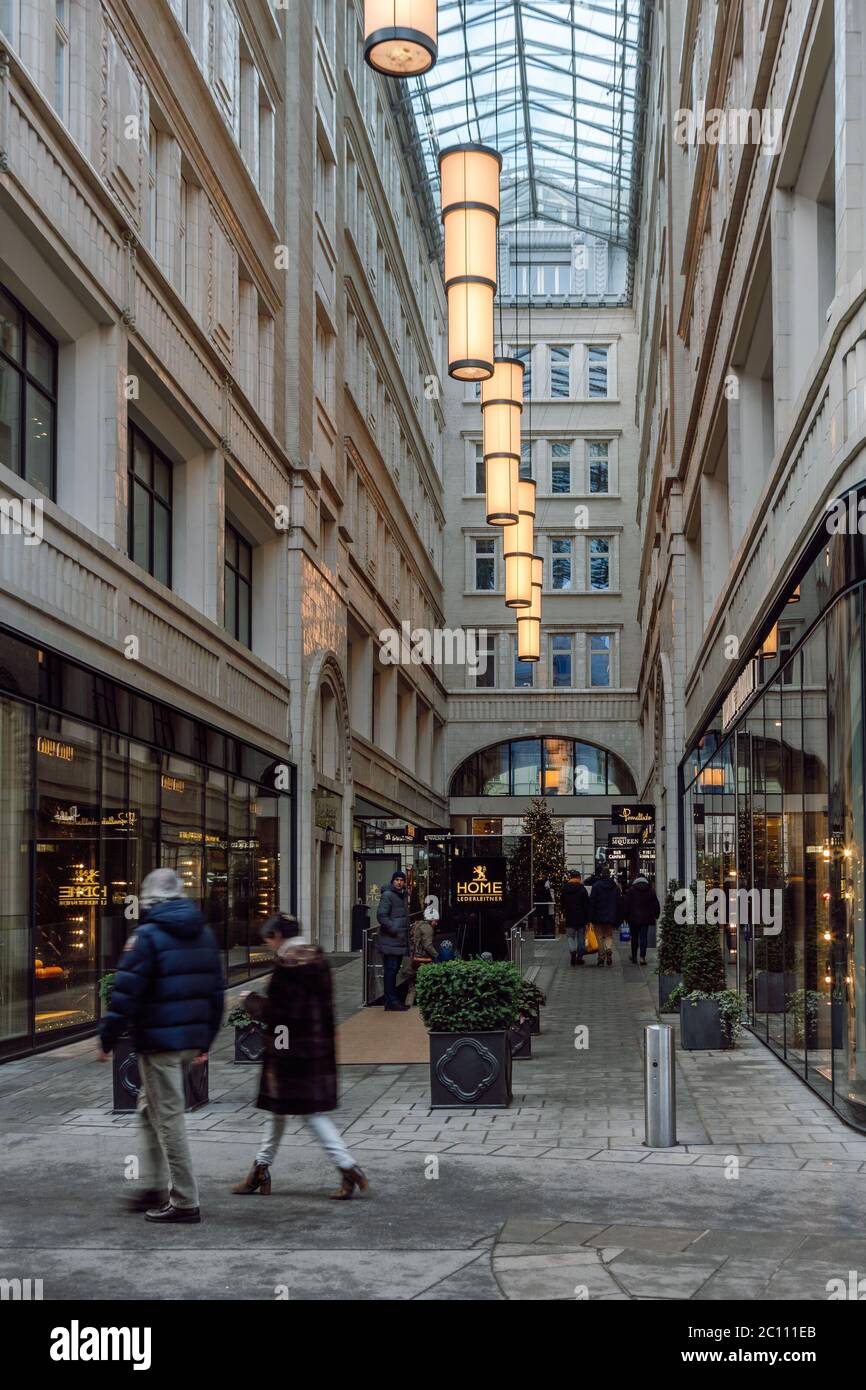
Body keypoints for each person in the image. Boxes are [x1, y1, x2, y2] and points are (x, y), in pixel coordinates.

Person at [98, 868, 224, 1224]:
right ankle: (153, 1185)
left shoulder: (147, 936)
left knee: (168, 1119)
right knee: (147, 1109)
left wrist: (108, 1039)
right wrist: (205, 1040)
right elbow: (216, 992)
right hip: (186, 1042)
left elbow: (126, 993)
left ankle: (184, 1200)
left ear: (150, 900)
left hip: (160, 1044)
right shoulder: (203, 933)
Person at [232, 914, 368, 1201]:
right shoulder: (317, 959)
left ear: (278, 936)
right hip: (315, 1048)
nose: (269, 945)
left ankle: (347, 1166)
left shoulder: (287, 965)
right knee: (277, 1112)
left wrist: (250, 1001)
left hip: (289, 1052)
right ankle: (260, 1170)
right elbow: (327, 1008)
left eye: (269, 939)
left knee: (308, 1114)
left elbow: (278, 1013)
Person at [376, 870, 410, 1011]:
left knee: (393, 971)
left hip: (398, 941)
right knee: (391, 971)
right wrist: (394, 929)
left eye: (401, 880)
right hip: (391, 940)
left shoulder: (402, 896)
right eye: (396, 879)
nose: (399, 882)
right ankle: (391, 1001)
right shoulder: (388, 895)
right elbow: (381, 915)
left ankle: (391, 1000)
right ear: (392, 881)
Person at [588, 866, 624, 968]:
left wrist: (590, 917)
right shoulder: (615, 886)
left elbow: (592, 902)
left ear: (601, 874)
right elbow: (619, 902)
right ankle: (608, 949)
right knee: (608, 935)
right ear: (609, 874)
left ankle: (601, 956)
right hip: (610, 915)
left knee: (599, 937)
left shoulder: (596, 886)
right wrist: (618, 917)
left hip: (598, 915)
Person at [624, 875, 661, 966]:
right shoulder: (650, 891)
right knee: (643, 937)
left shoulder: (631, 891)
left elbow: (626, 904)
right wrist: (656, 915)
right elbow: (656, 904)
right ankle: (642, 957)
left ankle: (634, 957)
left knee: (634, 938)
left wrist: (625, 916)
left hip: (633, 918)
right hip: (646, 918)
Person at [560, 870, 590, 967]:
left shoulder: (565, 889)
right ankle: (580, 957)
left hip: (570, 916)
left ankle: (573, 951)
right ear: (578, 877)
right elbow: (586, 904)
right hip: (581, 917)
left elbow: (562, 904)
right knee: (581, 937)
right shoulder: (582, 889)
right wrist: (588, 918)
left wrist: (564, 912)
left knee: (570, 936)